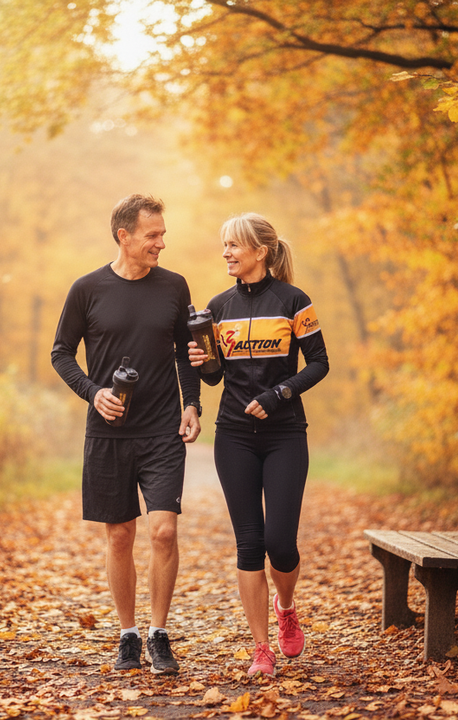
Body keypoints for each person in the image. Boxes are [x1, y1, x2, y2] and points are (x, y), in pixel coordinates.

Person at [51, 194, 202, 675]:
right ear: (125, 236)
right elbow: (61, 353)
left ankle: (159, 633)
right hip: (109, 434)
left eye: (162, 233)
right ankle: (128, 635)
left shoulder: (174, 287)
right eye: (152, 235)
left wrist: (192, 403)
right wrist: (92, 392)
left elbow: (187, 352)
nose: (162, 242)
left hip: (162, 430)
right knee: (120, 538)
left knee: (163, 531)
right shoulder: (87, 289)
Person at [188, 212, 329, 678]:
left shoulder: (294, 300)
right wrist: (202, 359)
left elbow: (319, 363)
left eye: (233, 245)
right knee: (249, 545)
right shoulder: (217, 306)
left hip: (285, 432)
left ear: (260, 252)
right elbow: (213, 377)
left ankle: (285, 605)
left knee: (280, 544)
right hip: (233, 435)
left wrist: (278, 394)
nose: (225, 252)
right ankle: (261, 648)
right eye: (224, 245)